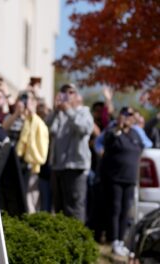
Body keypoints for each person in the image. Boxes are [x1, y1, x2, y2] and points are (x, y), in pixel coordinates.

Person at [96, 107, 147, 256]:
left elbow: (145, 145)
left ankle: (121, 241)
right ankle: (114, 240)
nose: (128, 118)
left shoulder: (136, 133)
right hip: (114, 178)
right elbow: (106, 142)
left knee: (125, 210)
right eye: (125, 115)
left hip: (130, 178)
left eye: (130, 116)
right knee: (115, 209)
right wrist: (118, 127)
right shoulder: (113, 131)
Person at [48, 83, 94, 222]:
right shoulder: (59, 114)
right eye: (64, 92)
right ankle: (61, 240)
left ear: (78, 96)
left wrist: (69, 110)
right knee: (59, 207)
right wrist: (56, 111)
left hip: (76, 166)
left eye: (71, 92)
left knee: (74, 206)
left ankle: (77, 241)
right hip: (58, 166)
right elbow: (48, 128)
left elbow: (84, 129)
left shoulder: (83, 112)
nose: (67, 95)